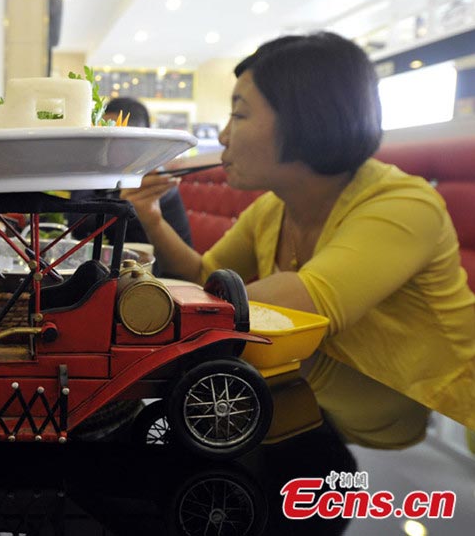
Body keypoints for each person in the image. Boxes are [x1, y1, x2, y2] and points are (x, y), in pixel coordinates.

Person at [122, 32, 475, 447]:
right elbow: (205, 274)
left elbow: (291, 302)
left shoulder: (404, 204)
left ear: (306, 119)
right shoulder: (274, 207)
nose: (222, 136)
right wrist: (152, 218)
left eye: (238, 115)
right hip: (313, 407)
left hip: (427, 426)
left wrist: (137, 318)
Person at [68, 96, 193, 251]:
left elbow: (80, 220)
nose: (105, 147)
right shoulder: (111, 175)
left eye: (116, 140)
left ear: (141, 144)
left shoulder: (156, 183)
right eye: (103, 138)